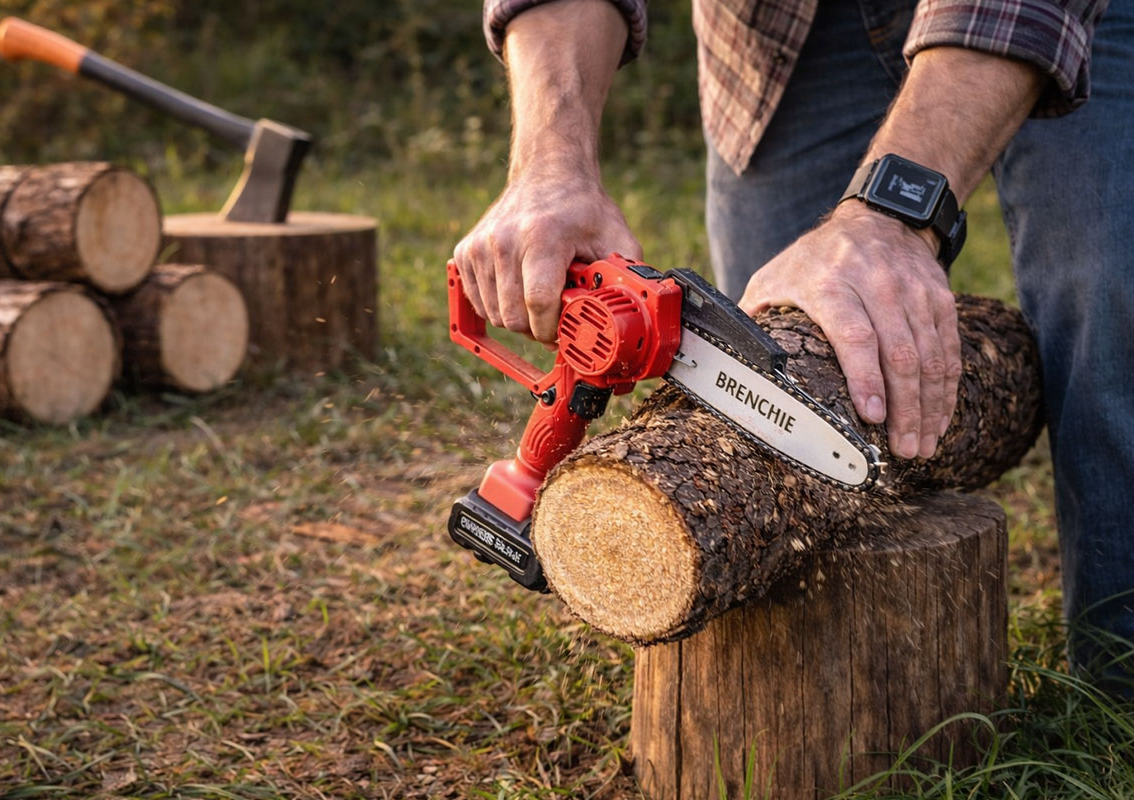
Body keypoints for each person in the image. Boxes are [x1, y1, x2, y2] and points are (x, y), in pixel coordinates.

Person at [453, 0, 1132, 682]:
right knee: (773, 457)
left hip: (1062, 15)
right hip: (780, 28)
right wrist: (551, 163)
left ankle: (1117, 683)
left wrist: (893, 216)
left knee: (1106, 290)